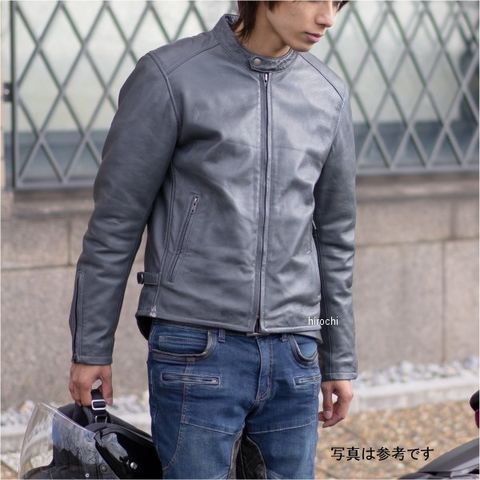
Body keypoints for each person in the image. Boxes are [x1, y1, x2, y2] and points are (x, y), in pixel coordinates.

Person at [68, 1, 357, 478]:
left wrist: (338, 359)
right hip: (195, 345)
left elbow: (335, 238)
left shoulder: (328, 94)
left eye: (338, 3)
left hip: (295, 352)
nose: (328, 17)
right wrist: (91, 348)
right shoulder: (171, 76)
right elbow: (115, 224)